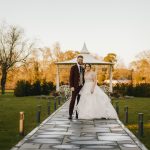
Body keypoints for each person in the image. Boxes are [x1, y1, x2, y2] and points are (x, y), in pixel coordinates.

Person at [68, 55, 85, 120]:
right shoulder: (73, 67)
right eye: (79, 59)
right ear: (77, 60)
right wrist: (71, 86)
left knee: (79, 101)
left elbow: (84, 78)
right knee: (73, 100)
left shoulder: (83, 68)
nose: (80, 60)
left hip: (81, 87)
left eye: (81, 60)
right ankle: (70, 114)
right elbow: (70, 78)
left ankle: (78, 114)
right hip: (74, 87)